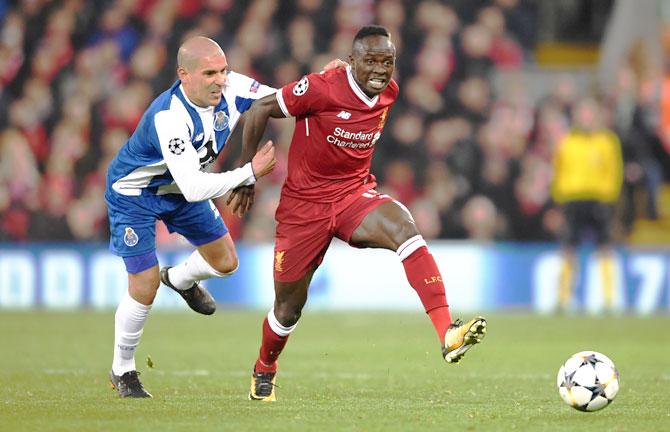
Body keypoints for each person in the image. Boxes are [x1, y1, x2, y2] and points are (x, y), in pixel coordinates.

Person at [237, 25, 487, 402]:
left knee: (405, 228)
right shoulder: (321, 87)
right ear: (351, 61)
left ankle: (446, 333)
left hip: (354, 195)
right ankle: (264, 367)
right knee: (288, 308)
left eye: (387, 61)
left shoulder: (390, 92)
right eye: (370, 60)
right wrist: (246, 174)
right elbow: (260, 108)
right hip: (304, 208)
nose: (380, 70)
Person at [104, 36, 279, 398]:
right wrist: (249, 172)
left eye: (224, 71)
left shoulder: (233, 88)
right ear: (183, 75)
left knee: (227, 262)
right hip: (137, 194)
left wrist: (328, 83)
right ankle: (123, 370)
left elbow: (287, 100)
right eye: (210, 73)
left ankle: (180, 279)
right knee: (144, 285)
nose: (220, 80)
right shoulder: (169, 117)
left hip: (181, 190)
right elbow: (195, 187)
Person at [551, 96, 624, 312]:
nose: (586, 118)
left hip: (598, 200)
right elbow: (559, 172)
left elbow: (614, 172)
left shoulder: (607, 141)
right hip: (573, 200)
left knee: (605, 247)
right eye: (582, 113)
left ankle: (610, 300)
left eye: (589, 113)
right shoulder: (566, 142)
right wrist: (559, 198)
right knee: (568, 248)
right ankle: (563, 299)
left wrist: (609, 199)